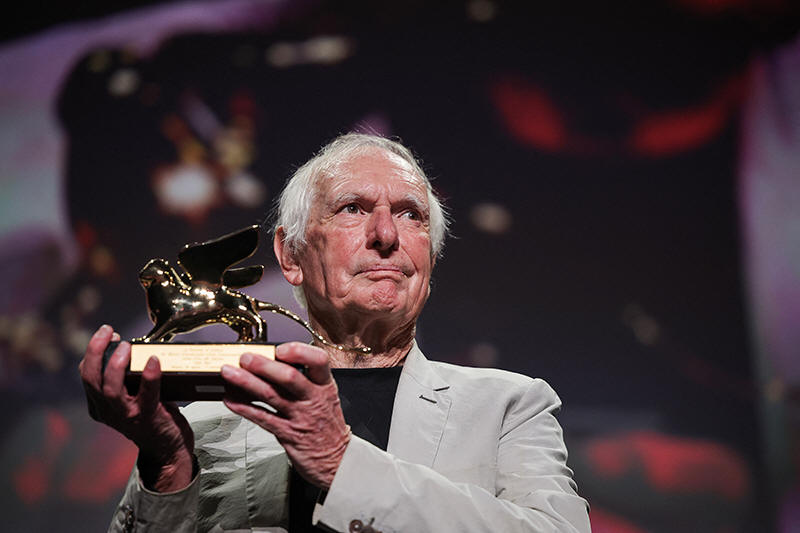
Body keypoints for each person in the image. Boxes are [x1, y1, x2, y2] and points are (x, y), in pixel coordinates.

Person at [80, 133, 591, 532]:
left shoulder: (508, 408)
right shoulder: (205, 423)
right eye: (353, 209)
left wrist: (340, 463)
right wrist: (168, 466)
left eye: (410, 215)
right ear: (290, 255)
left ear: (430, 257)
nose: (386, 235)